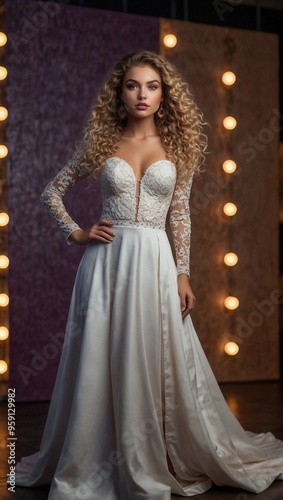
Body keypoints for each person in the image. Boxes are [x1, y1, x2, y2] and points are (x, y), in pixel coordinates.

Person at [14, 51, 283, 499]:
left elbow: (180, 214)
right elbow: (51, 192)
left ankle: (154, 452)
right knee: (101, 354)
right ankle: (96, 458)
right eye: (133, 85)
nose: (143, 94)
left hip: (156, 262)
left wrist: (183, 273)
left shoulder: (179, 148)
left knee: (156, 354)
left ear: (164, 94)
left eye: (152, 86)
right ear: (120, 94)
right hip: (105, 266)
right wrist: (77, 234)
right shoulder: (102, 142)